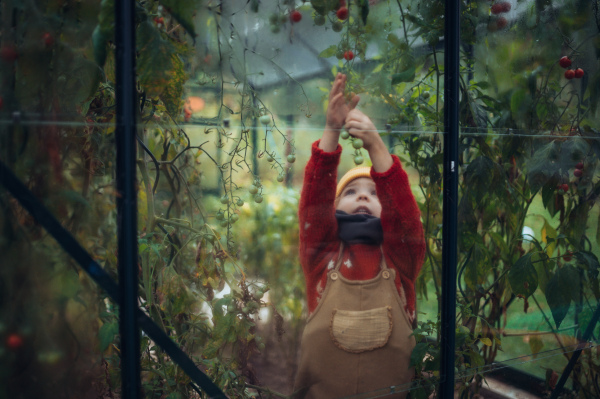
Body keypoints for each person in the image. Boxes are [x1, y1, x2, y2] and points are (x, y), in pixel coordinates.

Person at [293, 73, 426, 398]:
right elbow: (314, 204)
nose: (364, 196)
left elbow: (407, 220)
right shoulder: (321, 255)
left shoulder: (400, 258)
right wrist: (331, 132)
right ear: (335, 205)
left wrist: (376, 146)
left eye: (375, 192)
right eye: (351, 191)